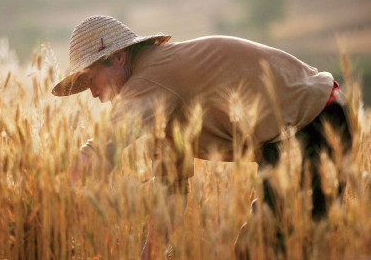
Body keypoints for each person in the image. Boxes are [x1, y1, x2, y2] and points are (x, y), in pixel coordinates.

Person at [52, 15, 352, 257]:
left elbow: (117, 134)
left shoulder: (153, 75)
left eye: (91, 79)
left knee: (260, 249)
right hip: (305, 128)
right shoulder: (159, 100)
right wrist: (152, 252)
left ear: (118, 58)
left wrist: (88, 157)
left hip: (313, 123)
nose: (92, 93)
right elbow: (171, 188)